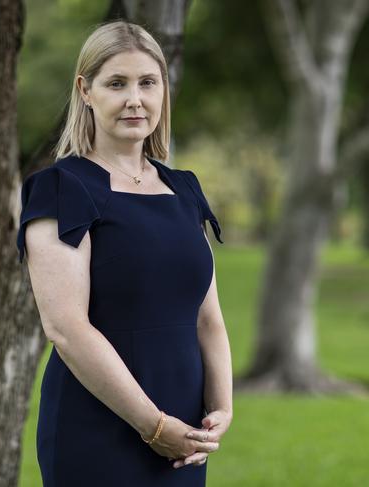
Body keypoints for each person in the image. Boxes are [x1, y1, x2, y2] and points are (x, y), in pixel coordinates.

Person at [16, 19, 233, 487]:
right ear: (85, 91)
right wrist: (153, 425)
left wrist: (221, 408)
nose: (135, 99)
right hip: (98, 429)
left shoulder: (183, 189)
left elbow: (208, 317)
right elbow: (66, 328)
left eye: (148, 83)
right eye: (117, 83)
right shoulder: (61, 188)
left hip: (184, 437)